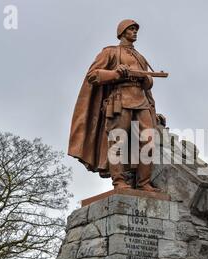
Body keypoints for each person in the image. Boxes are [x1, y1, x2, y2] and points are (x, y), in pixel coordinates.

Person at [68, 19, 161, 191]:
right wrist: (116, 73)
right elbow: (93, 76)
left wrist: (146, 79)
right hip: (120, 100)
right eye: (131, 29)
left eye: (135, 30)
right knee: (117, 141)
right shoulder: (110, 52)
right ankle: (119, 181)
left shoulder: (140, 56)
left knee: (149, 141)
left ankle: (144, 183)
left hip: (141, 102)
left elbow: (148, 84)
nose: (135, 32)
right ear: (122, 32)